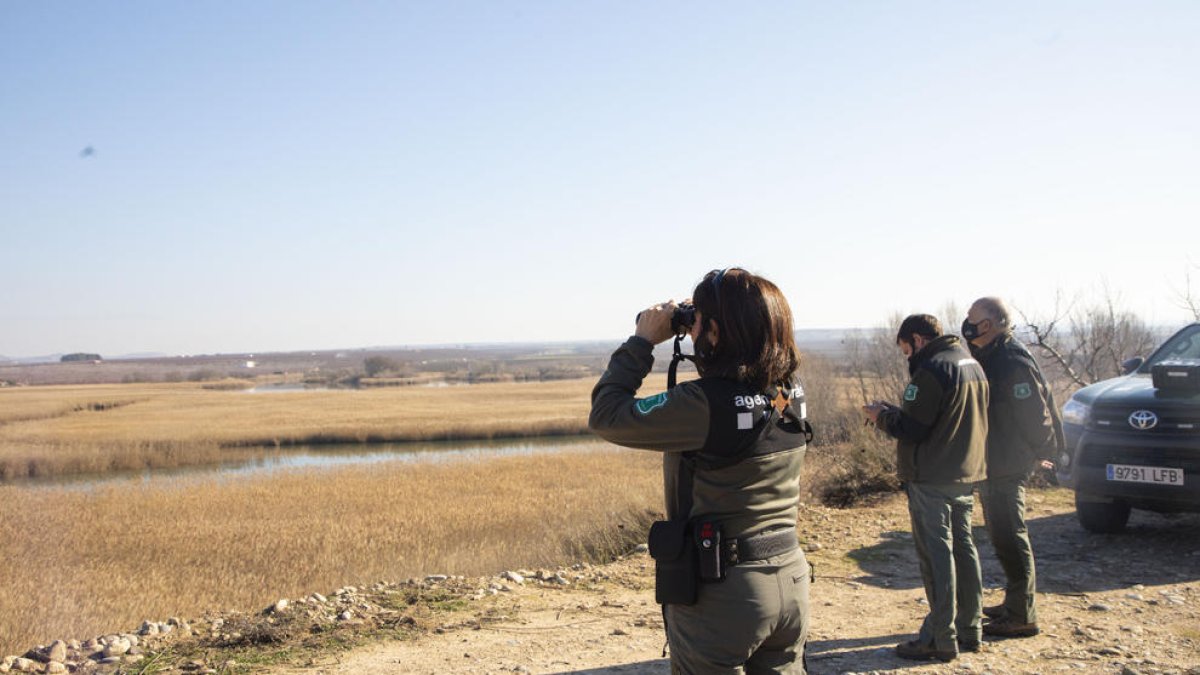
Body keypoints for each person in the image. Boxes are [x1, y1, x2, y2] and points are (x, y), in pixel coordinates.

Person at [589, 268, 812, 674]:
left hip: (724, 592)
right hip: (791, 578)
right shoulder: (789, 392)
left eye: (700, 322)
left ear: (715, 331)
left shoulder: (703, 405)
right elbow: (743, 392)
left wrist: (641, 342)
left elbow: (607, 416)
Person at [863, 314, 988, 662]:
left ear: (917, 340)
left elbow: (913, 428)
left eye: (906, 349)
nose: (907, 357)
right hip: (965, 472)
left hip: (931, 477)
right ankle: (970, 628)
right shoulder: (971, 363)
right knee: (964, 550)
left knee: (937, 556)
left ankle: (939, 637)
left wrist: (881, 416)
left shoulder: (932, 370)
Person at [962, 297, 1065, 638]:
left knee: (1010, 534)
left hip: (1008, 461)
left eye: (972, 319)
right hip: (995, 460)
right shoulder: (992, 354)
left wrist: (1043, 453)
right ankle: (1014, 604)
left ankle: (1022, 614)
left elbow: (1035, 412)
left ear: (988, 325)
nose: (966, 324)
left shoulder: (1009, 359)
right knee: (1000, 534)